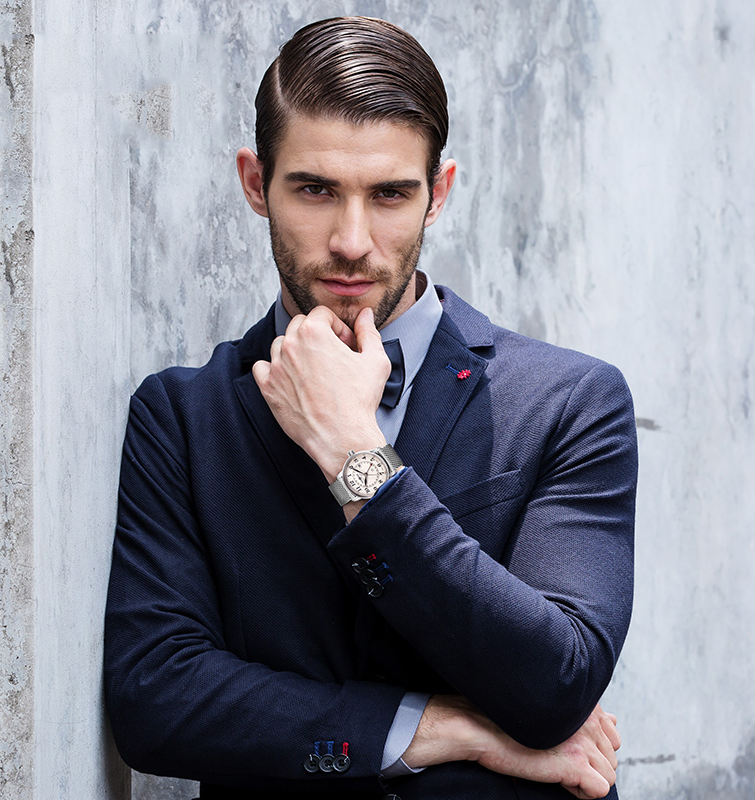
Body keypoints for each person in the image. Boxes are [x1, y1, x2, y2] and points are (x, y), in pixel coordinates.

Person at [104, 16, 637, 800]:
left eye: (389, 194)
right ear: (255, 183)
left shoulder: (569, 401)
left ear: (438, 194)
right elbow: (156, 700)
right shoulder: (183, 416)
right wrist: (432, 728)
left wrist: (356, 455)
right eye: (315, 189)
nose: (352, 241)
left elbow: (558, 681)